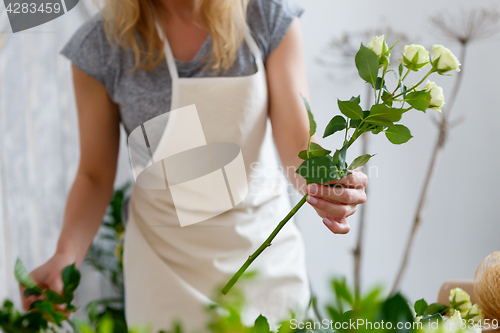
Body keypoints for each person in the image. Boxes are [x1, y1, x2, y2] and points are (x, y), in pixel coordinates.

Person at [20, 0, 368, 331]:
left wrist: (327, 181)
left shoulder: (264, 15)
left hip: (263, 258)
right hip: (163, 270)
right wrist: (65, 255)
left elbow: (298, 142)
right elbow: (94, 175)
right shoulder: (101, 46)